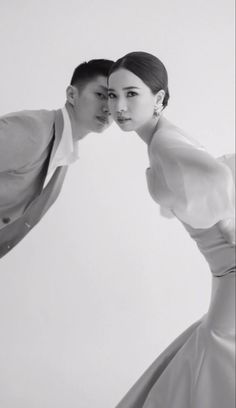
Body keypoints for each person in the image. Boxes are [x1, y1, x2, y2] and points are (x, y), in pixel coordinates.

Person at [108, 52, 235, 408]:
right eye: (111, 95)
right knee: (197, 355)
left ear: (159, 98)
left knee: (215, 348)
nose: (119, 106)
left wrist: (226, 219)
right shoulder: (162, 140)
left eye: (132, 94)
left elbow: (220, 176)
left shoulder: (164, 144)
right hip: (225, 272)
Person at [0, 58, 114, 259]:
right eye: (100, 95)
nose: (108, 108)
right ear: (72, 94)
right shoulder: (34, 130)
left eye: (113, 99)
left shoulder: (65, 148)